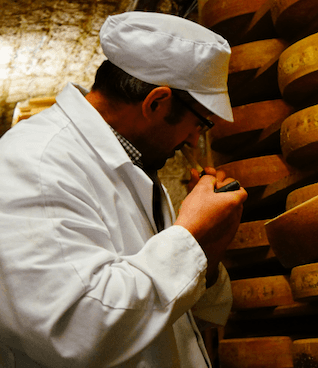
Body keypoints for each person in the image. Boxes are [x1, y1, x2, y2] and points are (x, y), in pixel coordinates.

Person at [0, 11, 248, 367]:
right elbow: (78, 330)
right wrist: (189, 233)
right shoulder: (35, 163)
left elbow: (174, 315)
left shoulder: (135, 162)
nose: (195, 139)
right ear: (156, 103)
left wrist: (207, 251)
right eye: (199, 123)